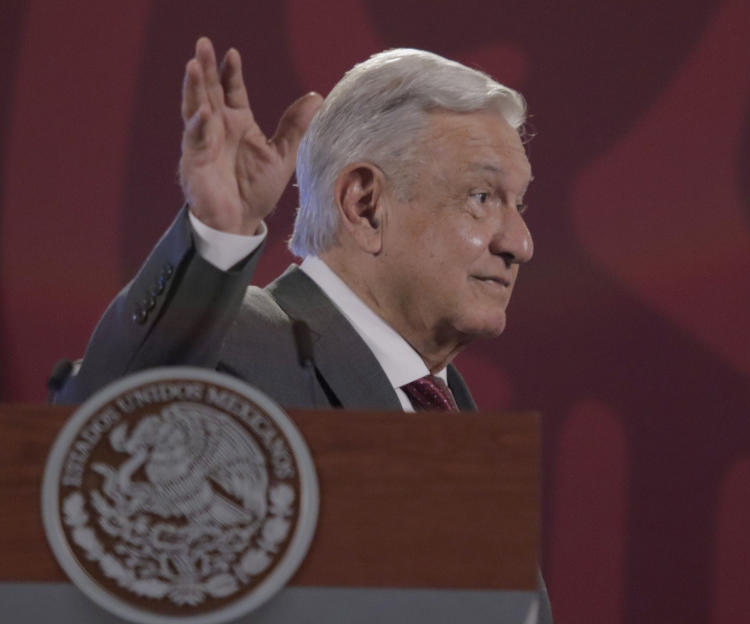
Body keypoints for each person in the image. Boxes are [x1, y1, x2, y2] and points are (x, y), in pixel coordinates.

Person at [54, 37, 549, 621]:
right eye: (482, 197)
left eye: (518, 204)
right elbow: (95, 436)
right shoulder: (242, 343)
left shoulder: (445, 405)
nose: (520, 243)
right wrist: (215, 239)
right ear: (365, 205)